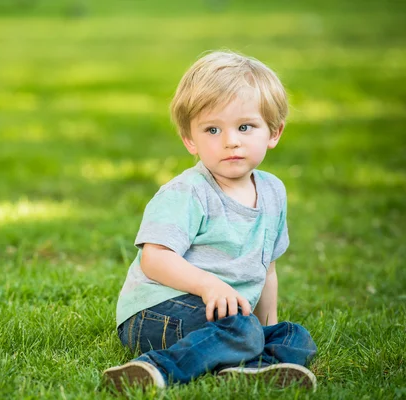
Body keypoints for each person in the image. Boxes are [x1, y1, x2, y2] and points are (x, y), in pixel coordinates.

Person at [103, 51, 318, 392]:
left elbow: (269, 270)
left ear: (274, 133)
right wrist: (209, 286)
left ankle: (249, 365)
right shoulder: (188, 192)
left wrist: (266, 329)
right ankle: (154, 368)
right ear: (191, 140)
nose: (231, 140)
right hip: (158, 311)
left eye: (245, 127)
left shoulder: (273, 192)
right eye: (213, 129)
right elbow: (154, 258)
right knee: (242, 329)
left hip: (226, 316)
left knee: (294, 335)